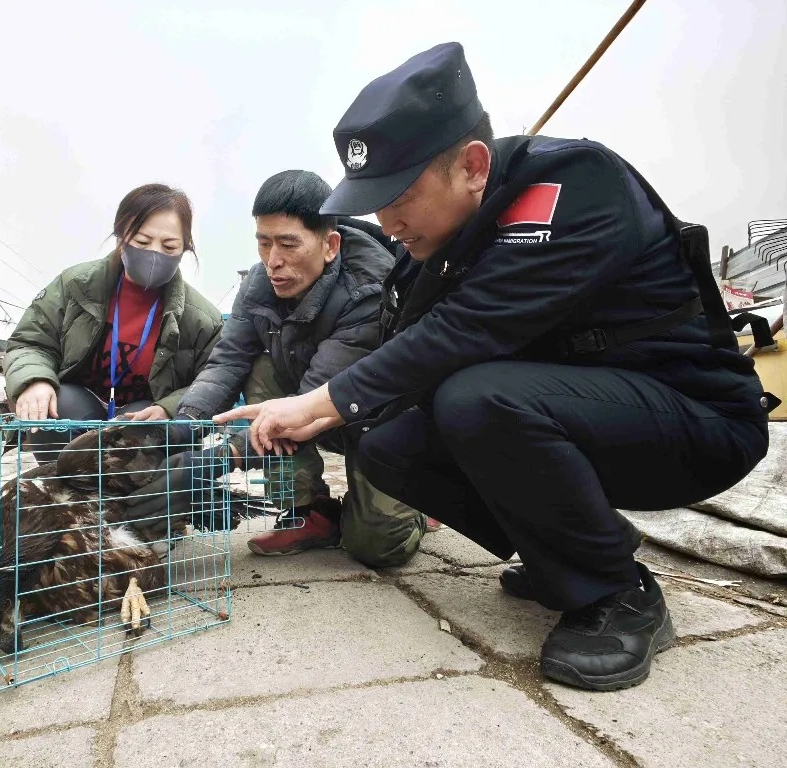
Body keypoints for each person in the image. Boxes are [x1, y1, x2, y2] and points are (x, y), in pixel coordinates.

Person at [216, 43, 777, 691]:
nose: (387, 221)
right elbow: (399, 363)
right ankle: (572, 542)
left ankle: (619, 592)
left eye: (400, 194)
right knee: (389, 441)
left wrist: (316, 403)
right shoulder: (435, 248)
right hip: (581, 418)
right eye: (374, 200)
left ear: (474, 166)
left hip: (695, 422)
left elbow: (462, 333)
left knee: (476, 397)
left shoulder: (574, 186)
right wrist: (312, 423)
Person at [123, 169, 436, 567]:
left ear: (330, 245)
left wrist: (219, 459)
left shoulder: (368, 291)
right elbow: (229, 359)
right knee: (258, 365)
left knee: (378, 548)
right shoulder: (258, 285)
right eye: (264, 243)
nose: (273, 262)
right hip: (305, 404)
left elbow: (311, 400)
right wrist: (181, 427)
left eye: (289, 244)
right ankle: (309, 510)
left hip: (372, 416)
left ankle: (420, 505)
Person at [4, 183, 224, 462]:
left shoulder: (202, 319)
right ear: (121, 237)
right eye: (143, 242)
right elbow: (30, 342)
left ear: (185, 248)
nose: (154, 254)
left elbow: (214, 381)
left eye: (169, 246)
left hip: (144, 415)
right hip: (80, 408)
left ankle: (134, 502)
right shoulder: (76, 285)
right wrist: (34, 380)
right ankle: (61, 493)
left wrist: (169, 408)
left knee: (148, 426)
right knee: (59, 402)